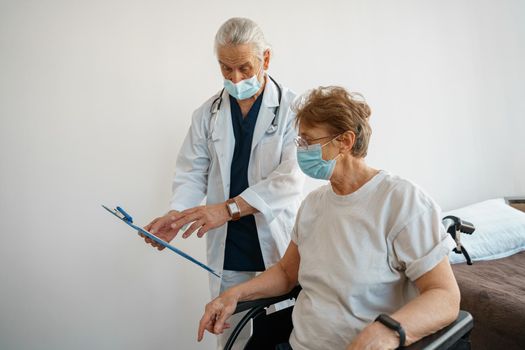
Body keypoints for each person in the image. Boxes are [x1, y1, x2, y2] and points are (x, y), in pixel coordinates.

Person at [197, 86, 460, 350]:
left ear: (344, 142)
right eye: (299, 141)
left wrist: (384, 333)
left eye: (308, 141)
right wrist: (233, 294)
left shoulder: (401, 201)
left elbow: (444, 296)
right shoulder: (314, 205)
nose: (300, 150)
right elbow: (287, 273)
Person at [141, 17, 304, 349]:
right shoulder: (208, 113)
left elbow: (290, 179)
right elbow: (190, 172)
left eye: (244, 67)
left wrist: (228, 209)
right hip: (229, 253)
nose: (235, 78)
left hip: (278, 249)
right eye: (225, 68)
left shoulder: (293, 109)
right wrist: (176, 217)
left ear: (266, 59)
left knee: (283, 339)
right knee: (233, 340)